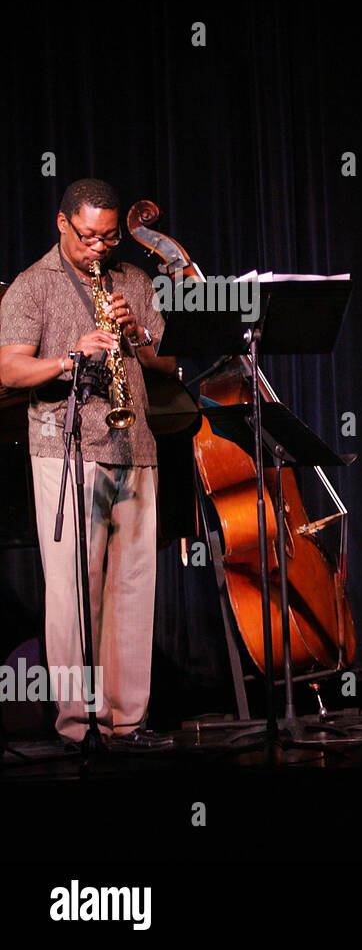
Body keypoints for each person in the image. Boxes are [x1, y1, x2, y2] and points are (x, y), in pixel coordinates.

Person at [0, 178, 175, 747]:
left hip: (135, 448)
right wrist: (70, 357)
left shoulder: (133, 280)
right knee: (74, 592)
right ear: (62, 222)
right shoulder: (32, 286)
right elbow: (9, 372)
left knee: (132, 588)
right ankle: (79, 726)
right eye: (89, 236)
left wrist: (139, 333)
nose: (101, 246)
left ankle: (127, 722)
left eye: (108, 236)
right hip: (66, 449)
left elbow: (168, 363)